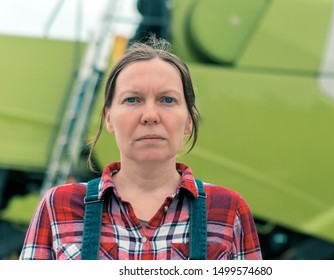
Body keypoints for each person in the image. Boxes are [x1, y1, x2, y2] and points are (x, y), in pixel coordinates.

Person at [19, 37, 262, 260]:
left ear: (189, 120)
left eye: (168, 100)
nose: (149, 115)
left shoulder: (228, 211)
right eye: (132, 99)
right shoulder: (58, 206)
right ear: (109, 119)